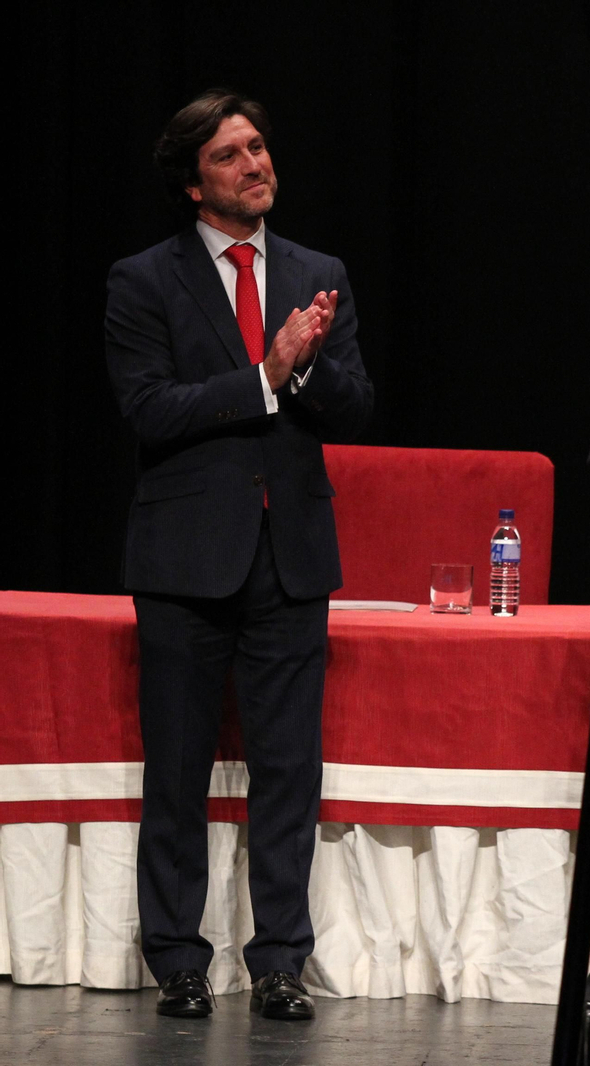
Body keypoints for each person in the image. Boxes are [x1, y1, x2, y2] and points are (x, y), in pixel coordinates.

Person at [104, 89, 373, 1021]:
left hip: (290, 556)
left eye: (257, 146)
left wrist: (307, 366)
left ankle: (280, 962)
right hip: (185, 557)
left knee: (289, 769)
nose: (255, 164)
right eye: (229, 155)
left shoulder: (316, 271)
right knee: (177, 768)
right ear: (193, 184)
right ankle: (178, 958)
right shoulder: (144, 279)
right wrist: (262, 375)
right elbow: (148, 409)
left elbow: (355, 407)